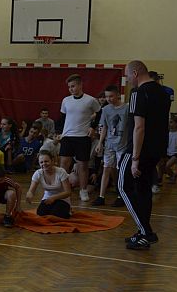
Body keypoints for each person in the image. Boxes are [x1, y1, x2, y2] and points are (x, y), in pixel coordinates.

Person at [118, 60, 170, 250]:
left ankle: (146, 231)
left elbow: (139, 127)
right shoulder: (163, 93)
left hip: (138, 150)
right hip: (156, 149)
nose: (127, 80)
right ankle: (142, 234)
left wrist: (135, 158)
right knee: (143, 190)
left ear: (135, 73)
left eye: (127, 75)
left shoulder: (138, 93)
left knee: (123, 186)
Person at [59, 74, 102, 202]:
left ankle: (83, 190)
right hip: (67, 136)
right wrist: (59, 132)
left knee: (82, 165)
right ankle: (62, 189)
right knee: (63, 164)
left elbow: (100, 113)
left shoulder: (90, 100)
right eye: (69, 87)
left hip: (83, 137)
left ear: (80, 85)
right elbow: (62, 118)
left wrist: (93, 127)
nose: (71, 89)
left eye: (73, 86)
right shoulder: (66, 100)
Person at [92, 85, 129, 206]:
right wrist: (100, 143)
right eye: (107, 96)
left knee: (120, 170)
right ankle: (101, 196)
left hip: (122, 144)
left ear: (118, 95)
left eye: (111, 96)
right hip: (109, 144)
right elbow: (104, 127)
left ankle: (120, 195)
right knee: (106, 168)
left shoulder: (126, 108)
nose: (109, 99)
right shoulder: (106, 109)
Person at [25, 149, 73, 218]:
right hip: (47, 199)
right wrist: (29, 195)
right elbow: (31, 191)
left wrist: (53, 197)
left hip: (62, 199)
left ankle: (68, 210)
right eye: (41, 162)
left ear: (52, 161)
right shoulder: (38, 173)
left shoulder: (61, 172)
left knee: (56, 214)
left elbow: (68, 192)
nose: (44, 164)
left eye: (46, 161)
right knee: (41, 213)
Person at [161, 116, 177, 185]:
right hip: (168, 152)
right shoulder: (167, 133)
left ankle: (172, 175)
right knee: (161, 166)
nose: (169, 124)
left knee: (167, 166)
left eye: (171, 122)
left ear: (176, 123)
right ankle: (171, 174)